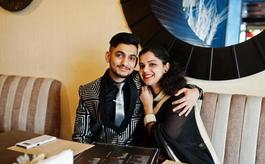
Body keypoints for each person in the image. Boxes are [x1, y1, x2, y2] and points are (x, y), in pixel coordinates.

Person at [72, 32, 200, 146]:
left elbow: (172, 86)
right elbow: (80, 137)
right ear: (108, 56)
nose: (125, 63)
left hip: (137, 157)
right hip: (100, 156)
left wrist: (195, 91)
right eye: (119, 55)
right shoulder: (87, 91)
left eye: (132, 58)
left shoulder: (145, 83)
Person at [139, 46, 222, 164]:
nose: (145, 70)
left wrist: (148, 109)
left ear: (166, 67)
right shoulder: (143, 93)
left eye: (152, 64)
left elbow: (162, 142)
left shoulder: (181, 96)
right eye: (141, 65)